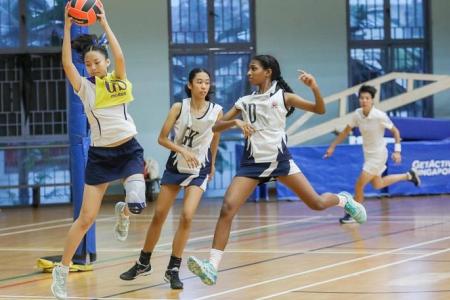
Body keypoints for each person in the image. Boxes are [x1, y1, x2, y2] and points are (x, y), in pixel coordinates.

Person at [186, 54, 367, 286]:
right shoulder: (244, 101)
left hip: (280, 161)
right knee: (227, 208)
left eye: (253, 68)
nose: (248, 73)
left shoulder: (283, 97)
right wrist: (235, 122)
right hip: (252, 164)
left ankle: (343, 200)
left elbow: (319, 109)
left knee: (317, 204)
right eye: (248, 69)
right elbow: (216, 125)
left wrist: (314, 87)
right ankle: (212, 266)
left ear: (268, 71)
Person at [51, 6, 146, 299]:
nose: (92, 67)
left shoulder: (118, 78)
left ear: (105, 62)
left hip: (129, 149)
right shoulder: (84, 88)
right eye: (88, 64)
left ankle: (125, 212)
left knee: (138, 200)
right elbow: (67, 64)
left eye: (96, 62)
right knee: (85, 219)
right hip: (101, 156)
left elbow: (120, 56)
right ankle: (62, 271)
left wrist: (105, 22)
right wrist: (67, 27)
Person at [119, 68, 222, 289]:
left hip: (199, 170)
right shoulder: (179, 107)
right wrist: (182, 150)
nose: (204, 86)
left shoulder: (217, 111)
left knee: (186, 216)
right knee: (159, 216)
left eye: (207, 83)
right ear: (189, 85)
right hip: (176, 166)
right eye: (200, 82)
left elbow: (215, 139)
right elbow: (162, 138)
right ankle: (143, 262)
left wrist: (211, 164)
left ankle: (173, 268)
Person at [324, 84, 420, 224]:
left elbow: (396, 132)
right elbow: (345, 132)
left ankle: (353, 214)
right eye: (362, 98)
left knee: (359, 185)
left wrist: (398, 151)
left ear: (372, 100)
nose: (364, 100)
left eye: (367, 98)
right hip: (368, 155)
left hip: (379, 155)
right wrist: (332, 146)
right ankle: (409, 175)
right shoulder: (357, 114)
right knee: (378, 184)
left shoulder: (379, 116)